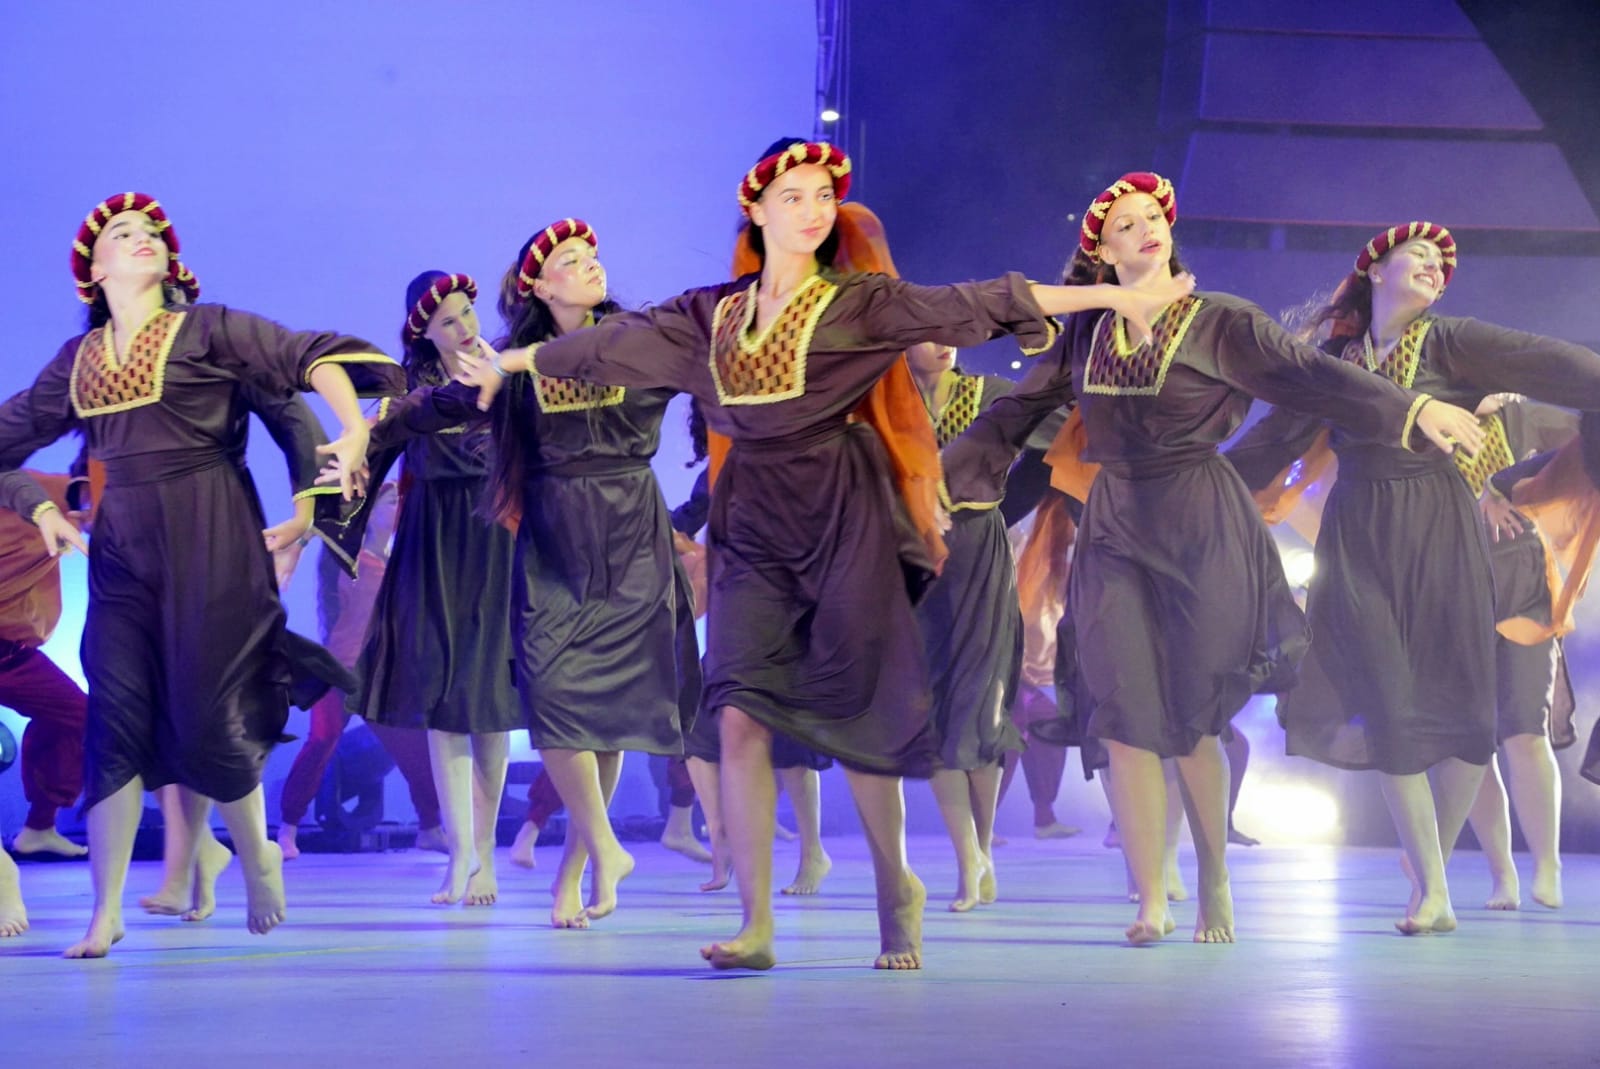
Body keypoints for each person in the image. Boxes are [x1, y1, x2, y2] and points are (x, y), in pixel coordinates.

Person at [456, 142, 1197, 969]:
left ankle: (895, 885)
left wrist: (1109, 292)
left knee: (857, 714)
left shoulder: (858, 304)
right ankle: (757, 922)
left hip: (842, 520)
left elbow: (975, 302)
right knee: (739, 712)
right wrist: (513, 360)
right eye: (794, 195)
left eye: (823, 197)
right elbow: (610, 345)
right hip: (752, 528)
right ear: (757, 212)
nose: (812, 209)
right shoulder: (710, 315)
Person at [941, 177, 1482, 944]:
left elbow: (1312, 376)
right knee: (1125, 717)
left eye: (1153, 217)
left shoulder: (1219, 320)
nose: (1145, 228)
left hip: (1201, 523)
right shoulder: (1088, 332)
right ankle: (1150, 898)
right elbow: (1015, 411)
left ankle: (1213, 880)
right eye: (1125, 224)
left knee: (1195, 719)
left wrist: (1413, 406)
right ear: (1102, 252)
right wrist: (939, 481)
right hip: (1115, 524)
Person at [0, 192, 401, 957]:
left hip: (212, 539)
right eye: (123, 232)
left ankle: (254, 855)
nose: (142, 237)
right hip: (124, 556)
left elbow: (308, 358)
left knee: (209, 711)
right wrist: (38, 506)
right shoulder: (77, 364)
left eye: (152, 231)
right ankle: (105, 910)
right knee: (115, 723)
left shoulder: (210, 329)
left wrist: (349, 435)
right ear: (93, 270)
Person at [1227, 221, 1600, 934]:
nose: (1433, 266)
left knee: (1470, 723)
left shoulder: (1452, 341)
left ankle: (1441, 867)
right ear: (1374, 269)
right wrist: (1198, 483)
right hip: (1360, 536)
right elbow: (1274, 439)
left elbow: (1548, 361)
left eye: (1440, 262)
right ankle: (1432, 888)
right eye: (1418, 255)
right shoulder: (1336, 360)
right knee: (1389, 705)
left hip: (1441, 529)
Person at [349, 272, 520, 907]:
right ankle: (460, 853)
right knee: (443, 707)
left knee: (491, 708)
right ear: (423, 332)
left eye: (467, 312)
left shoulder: (505, 373)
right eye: (448, 320)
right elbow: (368, 461)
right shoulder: (406, 389)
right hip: (430, 545)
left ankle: (487, 855)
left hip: (494, 541)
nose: (464, 326)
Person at [276, 481, 445, 861]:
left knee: (415, 749)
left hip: (380, 676)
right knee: (320, 742)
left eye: (398, 503)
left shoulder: (398, 563)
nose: (396, 510)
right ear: (370, 514)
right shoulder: (349, 560)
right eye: (390, 503)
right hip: (340, 671)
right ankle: (287, 829)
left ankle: (430, 828)